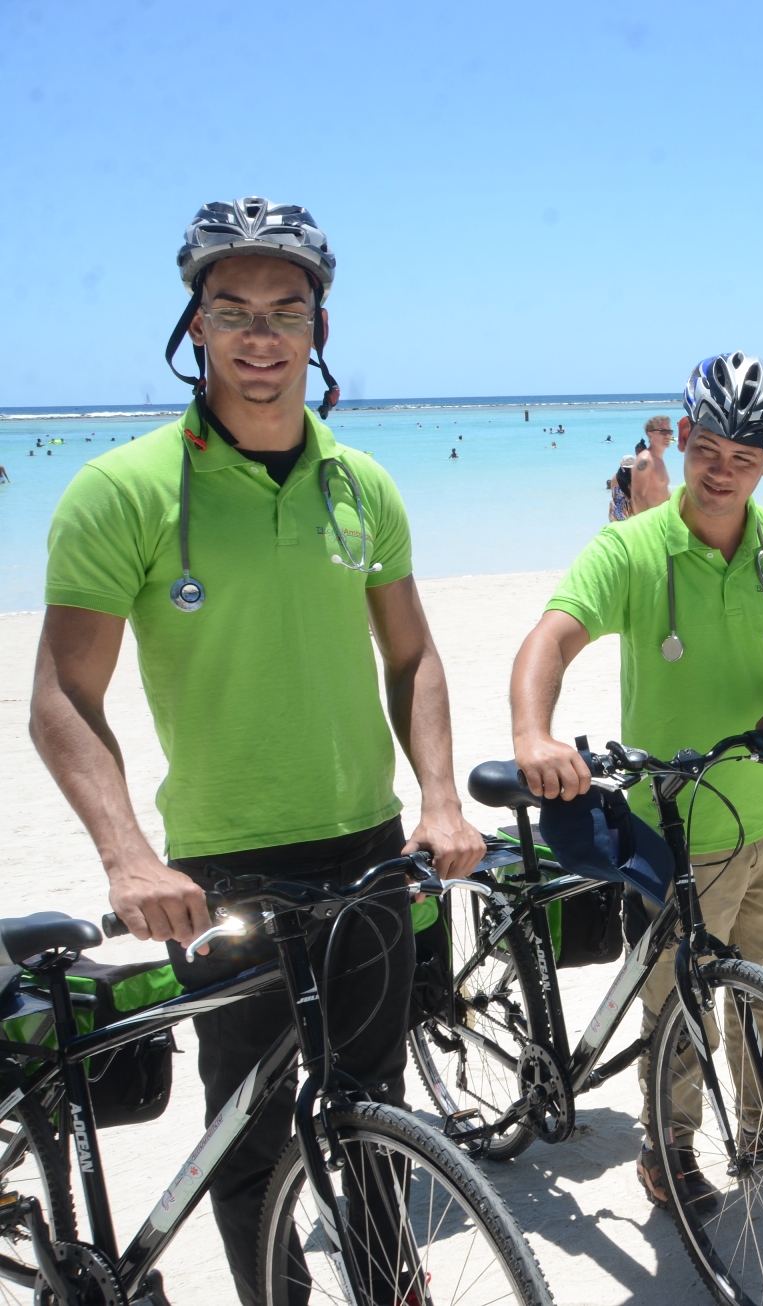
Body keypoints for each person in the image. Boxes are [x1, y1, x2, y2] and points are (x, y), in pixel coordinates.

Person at [31, 197, 481, 1306]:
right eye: (232, 309)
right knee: (252, 1131)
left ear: (320, 326)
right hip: (220, 867)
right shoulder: (124, 489)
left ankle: (386, 1288)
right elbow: (59, 694)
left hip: (371, 843)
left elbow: (414, 657)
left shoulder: (362, 485)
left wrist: (437, 799)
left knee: (369, 1106)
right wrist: (130, 856)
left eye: (287, 309)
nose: (261, 335)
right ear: (195, 324)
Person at [511, 351, 763, 1210]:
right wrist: (533, 733)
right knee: (676, 1000)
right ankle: (669, 1148)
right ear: (686, 437)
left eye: (745, 457)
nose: (722, 471)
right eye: (710, 450)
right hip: (678, 825)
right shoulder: (631, 549)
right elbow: (548, 641)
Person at [608, 455, 635, 520]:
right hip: (627, 511)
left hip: (614, 511)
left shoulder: (614, 477)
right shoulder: (631, 481)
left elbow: (613, 496)